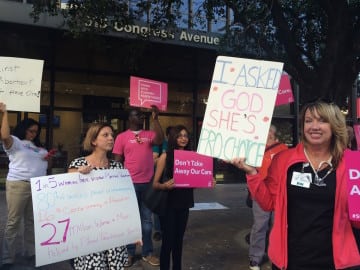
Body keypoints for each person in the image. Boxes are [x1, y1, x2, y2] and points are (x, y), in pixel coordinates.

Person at [231, 100, 360, 270]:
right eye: (308, 121)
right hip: (290, 259)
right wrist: (252, 173)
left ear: (334, 125)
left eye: (322, 120)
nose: (314, 126)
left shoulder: (353, 164)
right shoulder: (284, 160)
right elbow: (268, 202)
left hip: (337, 261)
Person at [68, 123, 129, 269]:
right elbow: (68, 198)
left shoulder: (117, 167)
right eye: (105, 135)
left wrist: (132, 230)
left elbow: (125, 202)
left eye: (112, 135)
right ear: (93, 141)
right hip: (89, 231)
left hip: (113, 230)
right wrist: (78, 175)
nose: (111, 138)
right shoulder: (78, 164)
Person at [0, 102, 54, 269]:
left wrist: (47, 158)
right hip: (19, 184)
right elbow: (4, 135)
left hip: (37, 187)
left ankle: (30, 252)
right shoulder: (15, 142)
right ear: (23, 129)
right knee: (14, 221)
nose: (33, 134)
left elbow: (46, 164)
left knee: (31, 221)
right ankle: (7, 257)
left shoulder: (37, 147)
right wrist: (4, 114)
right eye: (31, 130)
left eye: (36, 132)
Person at [113, 106, 164, 267]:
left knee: (147, 222)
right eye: (137, 115)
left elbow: (160, 140)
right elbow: (117, 160)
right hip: (129, 184)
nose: (141, 117)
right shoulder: (121, 137)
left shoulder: (149, 134)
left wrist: (155, 119)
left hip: (148, 184)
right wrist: (116, 182)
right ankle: (129, 252)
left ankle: (147, 252)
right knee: (130, 221)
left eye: (142, 115)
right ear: (130, 118)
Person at [153, 125, 194, 270]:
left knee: (179, 242)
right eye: (179, 135)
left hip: (185, 203)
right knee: (168, 242)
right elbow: (155, 184)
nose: (183, 138)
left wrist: (208, 181)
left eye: (185, 135)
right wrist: (164, 186)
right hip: (168, 204)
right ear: (173, 138)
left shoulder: (192, 157)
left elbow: (194, 182)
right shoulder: (165, 156)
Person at [248, 124, 287, 270]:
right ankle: (255, 258)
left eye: (268, 131)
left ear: (273, 133)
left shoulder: (283, 149)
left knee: (277, 227)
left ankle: (275, 257)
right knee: (259, 226)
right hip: (260, 194)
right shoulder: (255, 149)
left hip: (278, 195)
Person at [152, 126, 172, 242]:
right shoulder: (160, 143)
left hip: (172, 180)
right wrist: (163, 161)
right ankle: (158, 230)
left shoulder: (179, 147)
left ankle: (166, 229)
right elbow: (153, 160)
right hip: (160, 178)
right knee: (158, 204)